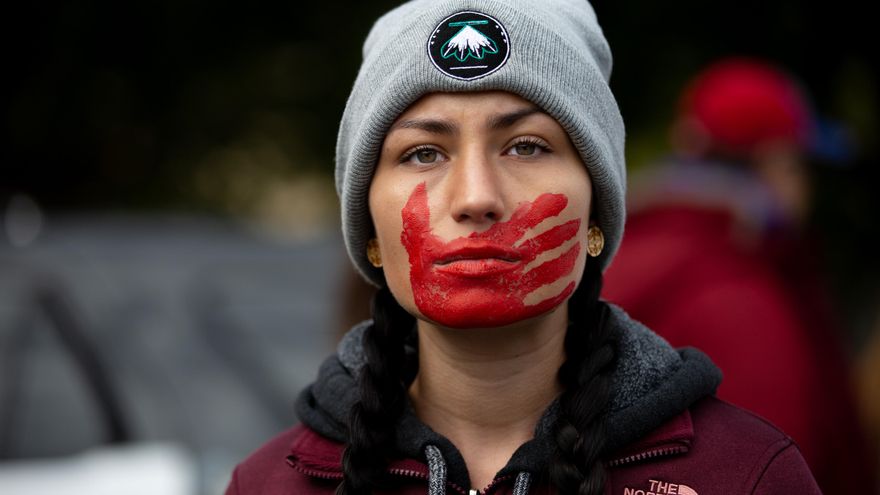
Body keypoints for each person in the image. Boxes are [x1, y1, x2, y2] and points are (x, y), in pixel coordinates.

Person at [226, 2, 820, 493]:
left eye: (527, 146)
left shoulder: (747, 474)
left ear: (597, 214)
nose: (477, 197)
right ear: (370, 234)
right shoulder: (267, 484)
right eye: (423, 153)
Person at [602, 57, 875, 494]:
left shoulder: (621, 254)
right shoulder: (744, 299)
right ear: (776, 165)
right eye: (801, 166)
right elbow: (771, 471)